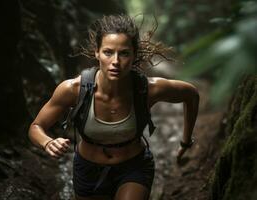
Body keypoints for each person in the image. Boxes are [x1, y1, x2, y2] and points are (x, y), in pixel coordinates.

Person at [28, 15, 199, 200]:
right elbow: (35, 127)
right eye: (108, 52)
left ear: (134, 54)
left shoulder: (148, 89)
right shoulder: (73, 90)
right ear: (97, 52)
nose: (115, 61)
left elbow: (191, 94)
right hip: (87, 170)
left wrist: (186, 141)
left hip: (134, 167)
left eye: (124, 53)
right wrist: (47, 142)